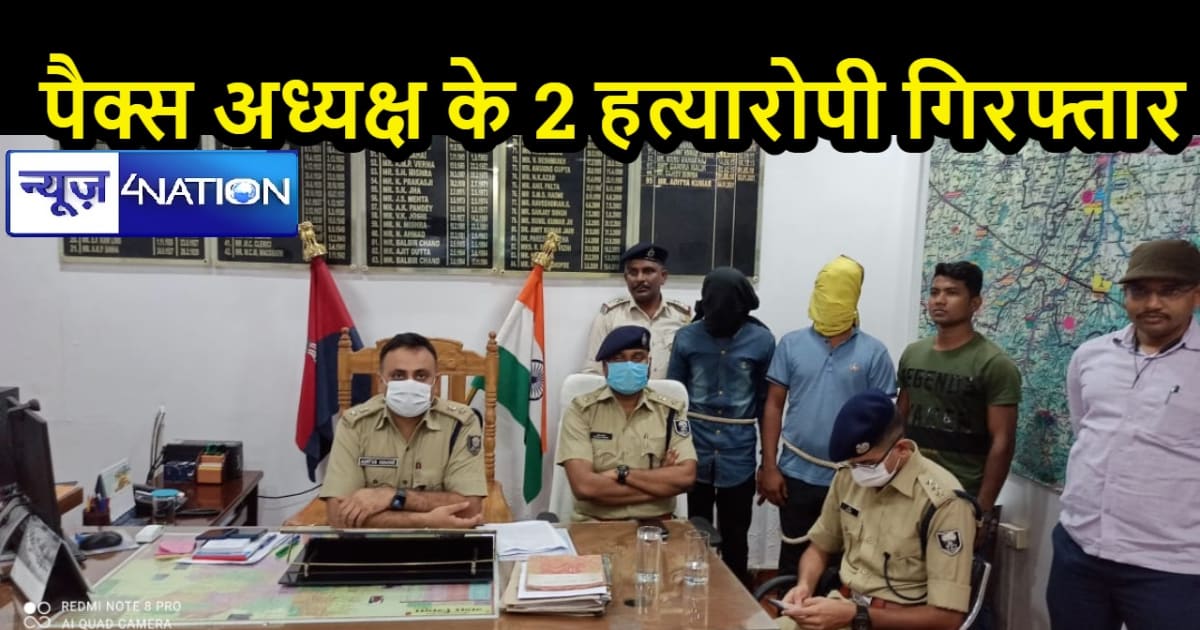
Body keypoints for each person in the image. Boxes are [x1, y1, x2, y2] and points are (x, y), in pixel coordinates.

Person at [1046, 239, 1200, 629]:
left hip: (1171, 567)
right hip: (1079, 552)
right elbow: (1086, 431)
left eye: (1170, 291)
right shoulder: (1091, 356)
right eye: (1139, 291)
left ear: (1196, 295)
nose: (1152, 303)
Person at [776, 389, 978, 630]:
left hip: (897, 622)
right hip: (843, 606)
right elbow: (820, 546)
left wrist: (856, 616)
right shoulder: (848, 477)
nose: (859, 472)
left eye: (868, 464)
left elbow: (947, 619)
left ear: (902, 448)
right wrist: (804, 586)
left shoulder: (945, 503)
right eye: (853, 464)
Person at [759, 255, 898, 576]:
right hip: (795, 474)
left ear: (854, 296)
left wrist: (878, 476)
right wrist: (769, 466)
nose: (831, 298)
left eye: (840, 291)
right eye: (825, 288)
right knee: (792, 560)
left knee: (843, 565)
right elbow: (773, 406)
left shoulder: (874, 352)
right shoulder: (791, 344)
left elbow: (885, 421)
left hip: (852, 477)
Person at [667, 266, 776, 588]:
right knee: (693, 529)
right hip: (693, 448)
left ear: (743, 303)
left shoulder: (762, 340)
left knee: (735, 533)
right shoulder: (687, 337)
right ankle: (694, 591)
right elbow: (673, 396)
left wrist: (768, 462)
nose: (720, 310)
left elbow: (766, 402)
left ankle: (736, 597)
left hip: (738, 451)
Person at [319, 333, 487, 529]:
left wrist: (392, 496)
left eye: (421, 376)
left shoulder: (462, 422)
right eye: (398, 376)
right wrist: (425, 521)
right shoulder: (354, 423)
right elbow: (338, 515)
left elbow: (469, 509)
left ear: (435, 382)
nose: (410, 384)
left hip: (441, 541)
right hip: (371, 544)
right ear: (381, 381)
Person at [896, 261, 1021, 523]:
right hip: (909, 488)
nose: (939, 300)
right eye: (934, 292)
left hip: (961, 494)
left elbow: (1003, 442)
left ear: (975, 303)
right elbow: (900, 421)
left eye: (952, 293)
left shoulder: (994, 364)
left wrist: (982, 509)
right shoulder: (913, 354)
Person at [558, 325, 698, 522]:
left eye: (637, 357)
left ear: (648, 364)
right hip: (595, 524)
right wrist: (661, 485)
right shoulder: (581, 411)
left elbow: (686, 478)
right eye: (618, 359)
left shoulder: (671, 411)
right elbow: (585, 487)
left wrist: (621, 473)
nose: (629, 365)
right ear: (605, 367)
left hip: (658, 524)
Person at [582, 242, 693, 379]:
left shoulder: (682, 317)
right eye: (633, 272)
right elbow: (593, 370)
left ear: (663, 277)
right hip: (621, 393)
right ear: (626, 278)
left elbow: (692, 369)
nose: (640, 278)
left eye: (648, 271)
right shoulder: (610, 316)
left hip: (668, 392)